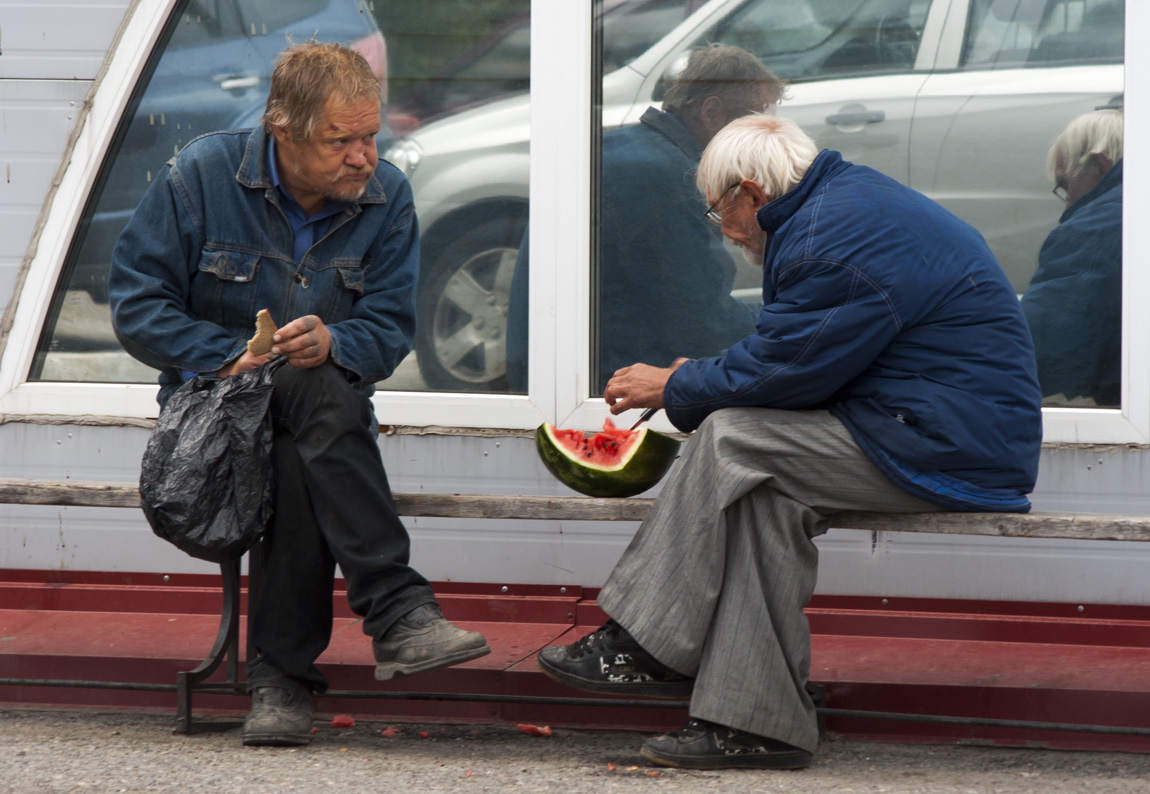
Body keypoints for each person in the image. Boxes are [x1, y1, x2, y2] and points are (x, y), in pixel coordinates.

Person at [538, 115, 1042, 770]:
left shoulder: (832, 237)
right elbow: (798, 355)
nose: (721, 229)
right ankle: (756, 724)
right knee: (760, 498)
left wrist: (679, 384)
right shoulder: (841, 208)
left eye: (719, 210)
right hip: (928, 427)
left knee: (729, 437)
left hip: (944, 442)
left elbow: (788, 370)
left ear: (752, 192)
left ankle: (644, 642)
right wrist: (705, 377)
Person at [109, 42, 489, 747]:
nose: (363, 157)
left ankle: (280, 684)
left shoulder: (389, 197)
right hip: (211, 422)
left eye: (371, 135)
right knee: (311, 405)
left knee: (303, 427)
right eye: (339, 140)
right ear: (281, 130)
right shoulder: (199, 175)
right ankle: (397, 612)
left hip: (319, 420)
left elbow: (390, 329)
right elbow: (136, 307)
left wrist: (337, 343)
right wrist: (234, 355)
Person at [506, 45, 785, 392]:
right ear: (711, 113)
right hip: (596, 392)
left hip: (552, 375)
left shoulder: (624, 146)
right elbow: (705, 323)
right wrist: (790, 317)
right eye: (753, 130)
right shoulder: (670, 181)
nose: (759, 149)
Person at [1021, 109, 1123, 407]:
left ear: (1099, 163)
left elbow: (1038, 354)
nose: (1066, 208)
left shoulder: (1091, 234)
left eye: (1066, 186)